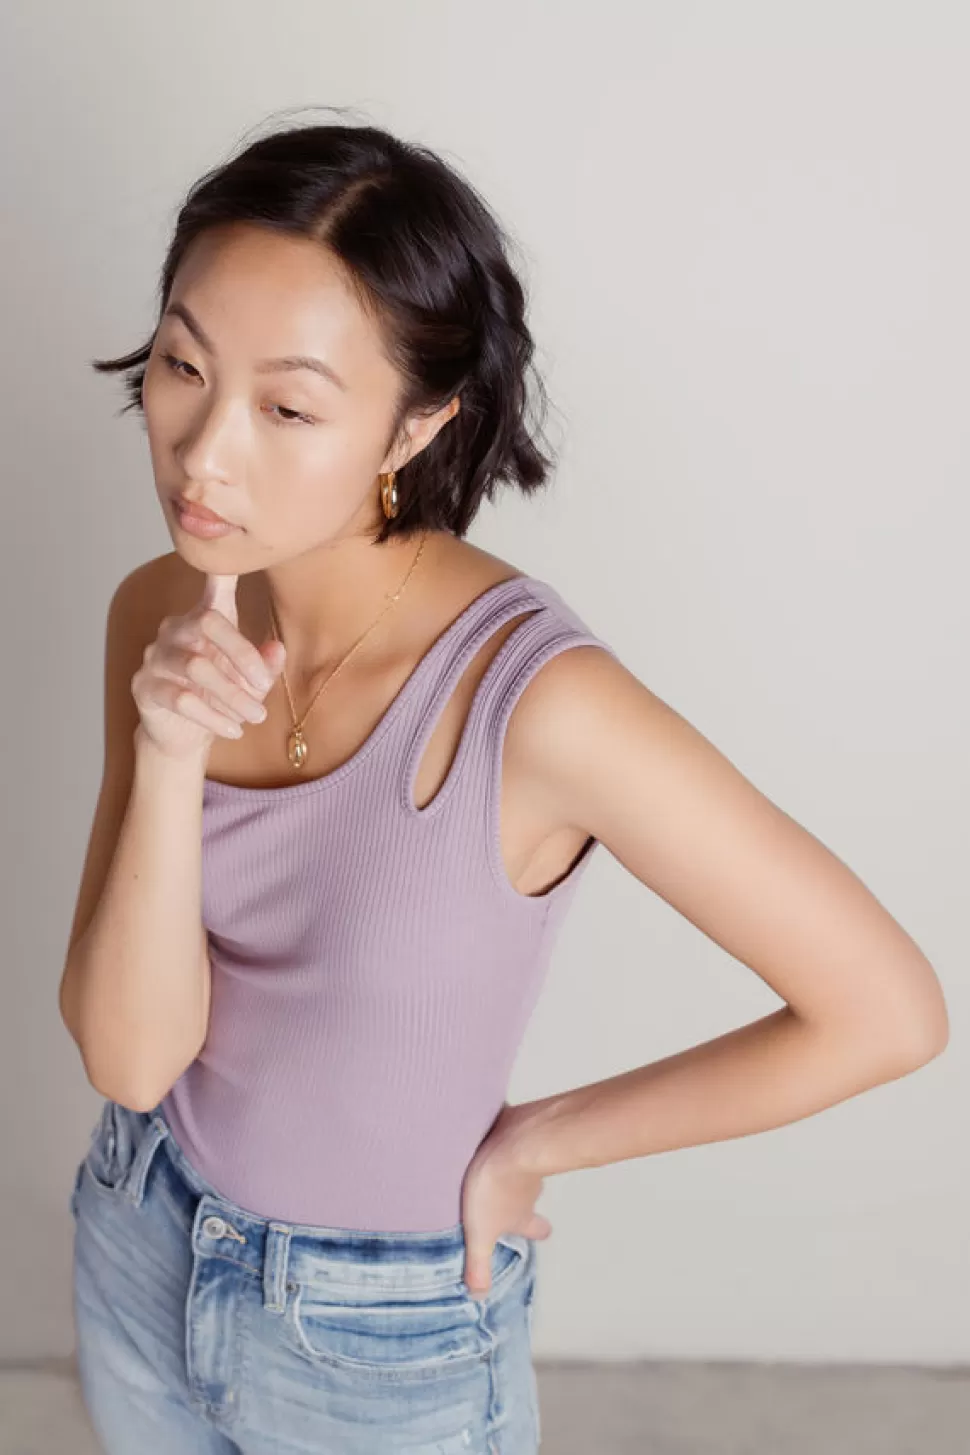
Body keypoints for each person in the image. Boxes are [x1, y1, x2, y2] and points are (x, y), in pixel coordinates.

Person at [58, 112, 949, 1455]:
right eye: (184, 366)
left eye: (288, 405)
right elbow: (130, 1054)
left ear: (418, 422)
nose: (203, 454)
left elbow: (884, 1009)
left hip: (377, 1333)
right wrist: (171, 750)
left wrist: (537, 1141)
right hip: (140, 1234)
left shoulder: (537, 704)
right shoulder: (158, 617)